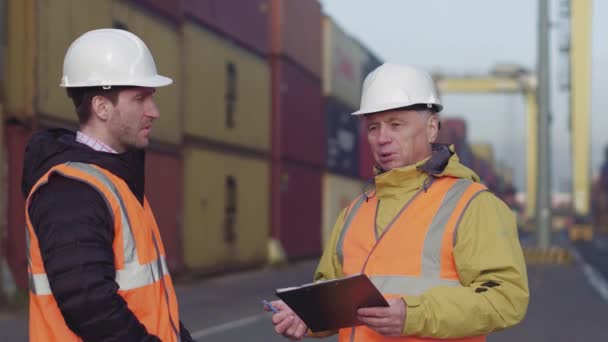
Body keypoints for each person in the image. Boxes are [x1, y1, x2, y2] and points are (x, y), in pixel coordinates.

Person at [268, 63, 529, 341]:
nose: (382, 139)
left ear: (431, 128)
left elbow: (506, 298)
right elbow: (335, 302)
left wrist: (413, 314)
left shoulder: (472, 205)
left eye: (396, 125)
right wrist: (307, 316)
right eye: (373, 127)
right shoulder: (354, 213)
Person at [22, 29, 194, 341]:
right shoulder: (71, 191)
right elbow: (90, 306)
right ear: (102, 107)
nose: (154, 112)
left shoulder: (113, 181)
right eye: (140, 98)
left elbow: (147, 303)